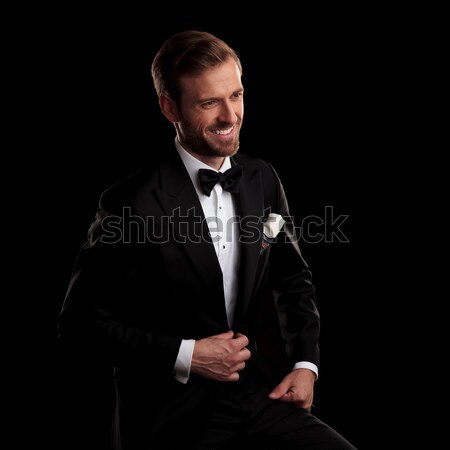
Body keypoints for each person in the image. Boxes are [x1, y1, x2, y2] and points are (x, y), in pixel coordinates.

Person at [58, 30, 357, 450]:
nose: (229, 116)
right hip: (169, 417)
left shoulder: (262, 178)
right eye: (209, 102)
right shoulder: (130, 202)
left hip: (255, 396)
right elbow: (80, 325)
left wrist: (306, 364)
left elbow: (293, 279)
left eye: (235, 96)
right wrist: (187, 355)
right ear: (169, 107)